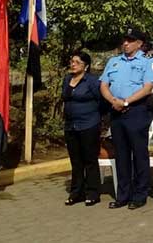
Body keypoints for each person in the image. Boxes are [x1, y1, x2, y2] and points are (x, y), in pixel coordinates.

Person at [100, 28, 153, 210]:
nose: (125, 43)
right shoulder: (114, 61)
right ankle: (123, 195)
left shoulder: (148, 62)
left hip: (136, 110)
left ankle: (140, 194)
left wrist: (126, 102)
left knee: (139, 154)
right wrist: (113, 101)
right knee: (122, 154)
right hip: (116, 111)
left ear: (139, 43)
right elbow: (104, 84)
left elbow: (147, 87)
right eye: (124, 40)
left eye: (130, 40)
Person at [62, 51, 102, 207]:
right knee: (76, 160)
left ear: (85, 66)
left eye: (77, 62)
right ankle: (76, 192)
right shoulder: (67, 79)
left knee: (89, 159)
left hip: (89, 124)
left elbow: (101, 101)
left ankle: (93, 192)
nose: (73, 64)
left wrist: (97, 118)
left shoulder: (91, 81)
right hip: (71, 126)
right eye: (72, 61)